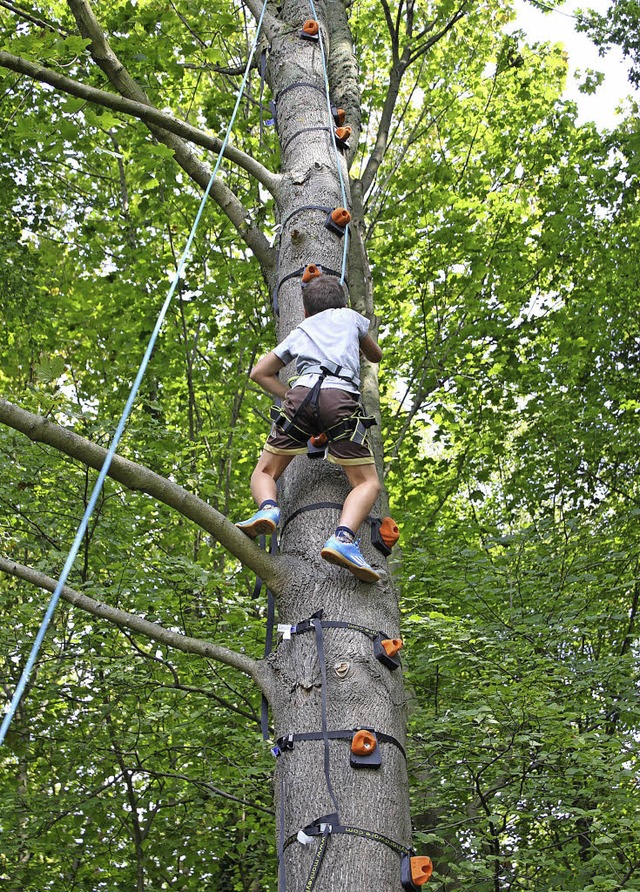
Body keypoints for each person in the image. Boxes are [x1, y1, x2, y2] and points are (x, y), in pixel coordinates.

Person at [236, 274, 383, 583]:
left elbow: (259, 372)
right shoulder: (351, 317)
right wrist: (356, 342)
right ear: (341, 303)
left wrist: (288, 395)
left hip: (301, 397)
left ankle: (267, 508)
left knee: (265, 472)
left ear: (305, 311)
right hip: (340, 398)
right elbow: (376, 355)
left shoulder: (301, 329)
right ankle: (342, 538)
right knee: (367, 483)